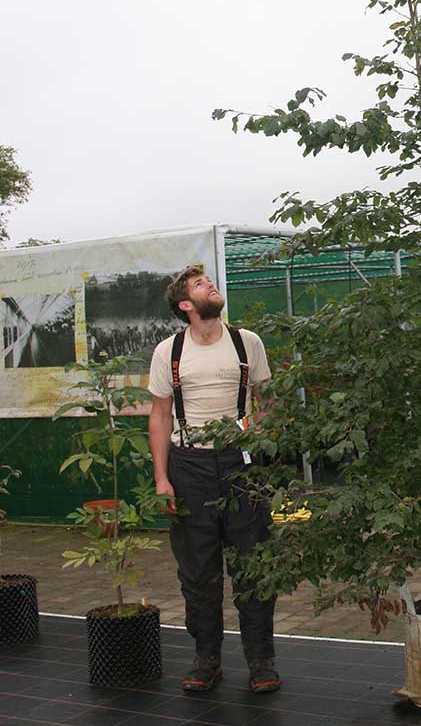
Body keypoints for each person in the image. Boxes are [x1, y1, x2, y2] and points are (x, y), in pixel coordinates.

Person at [148, 265, 280, 694]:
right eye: (201, 285)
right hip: (189, 466)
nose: (212, 287)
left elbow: (267, 398)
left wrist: (262, 434)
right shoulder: (169, 351)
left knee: (253, 564)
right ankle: (206, 658)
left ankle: (261, 660)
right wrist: (161, 479)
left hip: (241, 464)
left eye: (211, 282)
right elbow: (160, 416)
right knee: (197, 570)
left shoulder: (247, 342)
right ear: (186, 305)